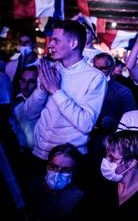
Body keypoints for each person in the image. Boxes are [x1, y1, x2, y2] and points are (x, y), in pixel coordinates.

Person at [23, 20, 107, 175]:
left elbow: (86, 124)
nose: (49, 45)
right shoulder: (50, 70)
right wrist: (42, 89)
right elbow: (28, 113)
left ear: (74, 43)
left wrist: (56, 91)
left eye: (56, 40)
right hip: (39, 153)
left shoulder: (95, 77)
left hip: (69, 159)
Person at [73, 130, 138, 220]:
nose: (105, 161)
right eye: (106, 155)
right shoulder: (100, 182)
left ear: (132, 163)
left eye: (112, 158)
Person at [89, 53, 136, 166]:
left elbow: (132, 120)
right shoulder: (85, 87)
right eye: (96, 68)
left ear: (112, 69)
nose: (99, 71)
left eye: (103, 68)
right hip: (85, 141)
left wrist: (116, 121)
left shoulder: (123, 91)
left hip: (109, 145)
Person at [24, 143, 84, 220]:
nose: (57, 173)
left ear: (74, 172)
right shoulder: (34, 183)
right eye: (53, 167)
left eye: (66, 170)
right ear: (47, 165)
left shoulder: (77, 197)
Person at [5, 30, 39, 96]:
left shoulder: (41, 66)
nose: (23, 45)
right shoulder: (10, 65)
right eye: (21, 42)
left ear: (34, 45)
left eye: (26, 42)